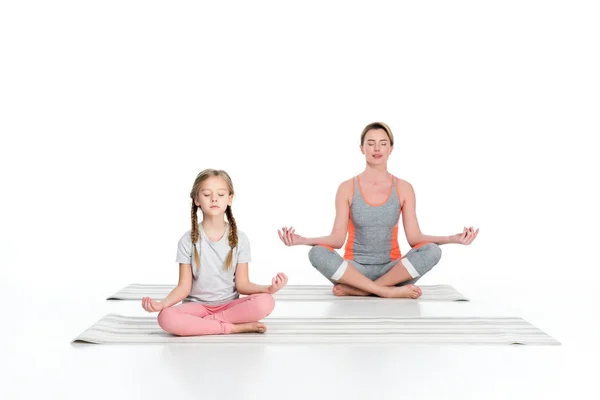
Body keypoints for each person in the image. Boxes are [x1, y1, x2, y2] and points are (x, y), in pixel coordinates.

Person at [278, 122, 478, 299]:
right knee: (317, 253)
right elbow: (337, 240)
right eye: (371, 143)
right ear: (362, 148)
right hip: (354, 271)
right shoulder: (347, 187)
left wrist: (453, 238)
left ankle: (363, 290)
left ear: (391, 148)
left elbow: (415, 238)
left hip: (393, 271)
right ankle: (386, 291)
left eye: (383, 143)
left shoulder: (404, 187)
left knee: (432, 251)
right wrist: (302, 241)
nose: (377, 148)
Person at [142, 168, 288, 335]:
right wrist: (162, 304)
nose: (214, 199)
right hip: (197, 307)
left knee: (266, 302)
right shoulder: (187, 240)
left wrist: (269, 289)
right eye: (206, 194)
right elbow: (184, 287)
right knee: (165, 317)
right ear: (196, 199)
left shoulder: (240, 239)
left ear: (230, 198)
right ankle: (231, 327)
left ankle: (202, 325)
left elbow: (242, 284)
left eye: (220, 194)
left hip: (229, 305)